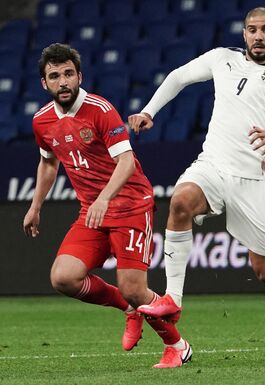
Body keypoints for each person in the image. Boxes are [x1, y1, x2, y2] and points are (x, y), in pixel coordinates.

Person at [128, 7, 265, 370]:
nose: (258, 36)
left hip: (255, 181)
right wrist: (150, 110)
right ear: (244, 33)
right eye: (252, 29)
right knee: (180, 202)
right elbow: (179, 76)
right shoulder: (222, 59)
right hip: (213, 165)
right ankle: (173, 298)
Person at [23, 43, 192, 369]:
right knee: (63, 278)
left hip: (130, 204)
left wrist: (103, 198)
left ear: (79, 76)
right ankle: (130, 309)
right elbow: (48, 163)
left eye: (69, 74)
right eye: (55, 76)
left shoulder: (100, 110)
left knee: (134, 288)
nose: (63, 82)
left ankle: (177, 346)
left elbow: (126, 162)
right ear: (44, 83)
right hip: (93, 211)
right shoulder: (42, 121)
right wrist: (36, 205)